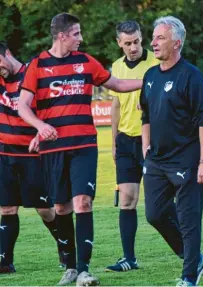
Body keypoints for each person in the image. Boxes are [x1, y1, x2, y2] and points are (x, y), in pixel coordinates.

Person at [18, 13, 142, 286]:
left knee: (82, 202)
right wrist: (40, 127)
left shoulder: (86, 62)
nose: (81, 38)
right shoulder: (38, 65)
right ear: (62, 36)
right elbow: (22, 106)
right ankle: (71, 266)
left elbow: (118, 85)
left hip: (84, 146)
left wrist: (150, 81)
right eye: (76, 34)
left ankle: (85, 270)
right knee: (61, 207)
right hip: (53, 150)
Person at [140, 16, 203, 286]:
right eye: (154, 37)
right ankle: (193, 257)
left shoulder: (192, 76)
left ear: (177, 42)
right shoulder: (149, 76)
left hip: (187, 159)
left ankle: (189, 277)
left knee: (188, 219)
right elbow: (145, 116)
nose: (153, 43)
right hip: (156, 161)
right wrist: (145, 148)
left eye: (160, 38)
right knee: (155, 214)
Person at [0, 42, 66, 273]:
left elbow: (50, 108)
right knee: (7, 209)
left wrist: (41, 132)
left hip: (32, 154)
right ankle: (4, 261)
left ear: (7, 53)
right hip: (4, 155)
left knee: (45, 209)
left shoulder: (32, 74)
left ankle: (65, 247)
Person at [105, 20, 159, 272]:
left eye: (136, 41)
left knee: (160, 204)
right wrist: (114, 140)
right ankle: (129, 258)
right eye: (127, 43)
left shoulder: (157, 63)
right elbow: (115, 106)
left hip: (155, 140)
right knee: (127, 199)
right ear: (119, 43)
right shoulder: (115, 67)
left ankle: (186, 251)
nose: (133, 47)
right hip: (126, 140)